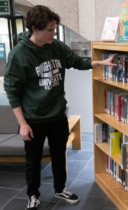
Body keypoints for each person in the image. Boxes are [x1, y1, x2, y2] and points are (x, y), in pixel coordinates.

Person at [3, 5, 116, 210]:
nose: (54, 33)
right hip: (33, 119)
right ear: (35, 28)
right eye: (50, 29)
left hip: (57, 115)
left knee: (58, 156)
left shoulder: (57, 46)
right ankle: (33, 195)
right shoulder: (19, 55)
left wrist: (100, 63)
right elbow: (12, 91)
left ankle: (60, 188)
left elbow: (75, 62)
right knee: (33, 161)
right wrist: (22, 124)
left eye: (55, 28)